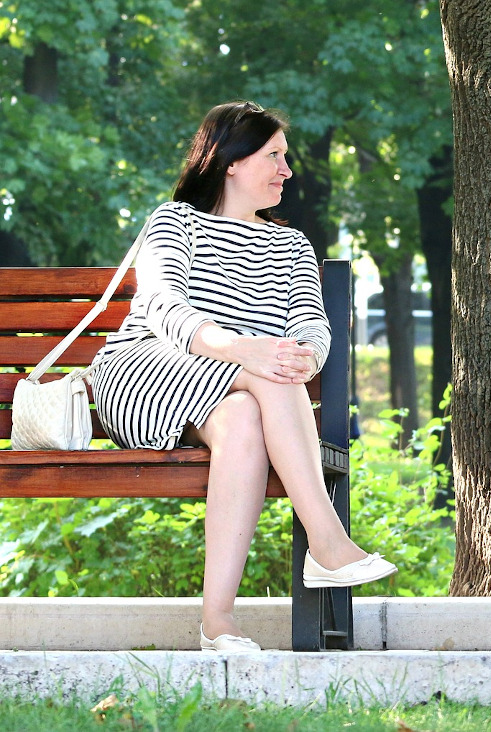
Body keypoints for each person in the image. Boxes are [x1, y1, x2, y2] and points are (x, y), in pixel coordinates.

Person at [91, 101, 397, 652]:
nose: (287, 169)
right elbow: (163, 307)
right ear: (231, 161)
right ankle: (327, 543)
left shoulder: (290, 243)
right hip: (146, 372)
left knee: (248, 411)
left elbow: (310, 323)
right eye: (274, 155)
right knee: (266, 379)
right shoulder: (175, 221)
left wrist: (303, 354)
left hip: (237, 393)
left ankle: (218, 619)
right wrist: (245, 351)